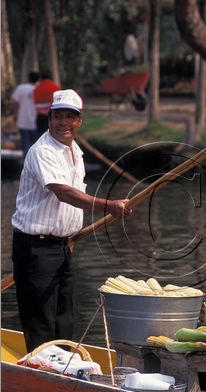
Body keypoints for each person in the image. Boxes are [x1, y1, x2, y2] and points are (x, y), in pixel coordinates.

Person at [12, 89, 131, 353]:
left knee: (64, 319)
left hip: (63, 246)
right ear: (49, 118)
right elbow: (64, 192)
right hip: (35, 248)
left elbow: (68, 201)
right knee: (40, 323)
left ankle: (63, 373)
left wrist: (68, 236)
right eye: (58, 116)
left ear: (80, 121)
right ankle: (41, 376)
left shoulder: (75, 152)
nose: (63, 122)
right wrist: (108, 206)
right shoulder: (41, 151)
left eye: (70, 116)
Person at [11, 71, 40, 155]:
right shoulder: (39, 89)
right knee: (35, 144)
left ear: (29, 78)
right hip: (36, 121)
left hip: (22, 120)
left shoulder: (21, 88)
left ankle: (26, 163)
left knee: (25, 143)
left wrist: (15, 116)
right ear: (38, 79)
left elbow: (16, 103)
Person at [33, 69, 60, 137]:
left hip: (40, 118)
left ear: (41, 78)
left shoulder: (36, 88)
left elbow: (35, 103)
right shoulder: (55, 88)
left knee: (40, 137)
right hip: (52, 117)